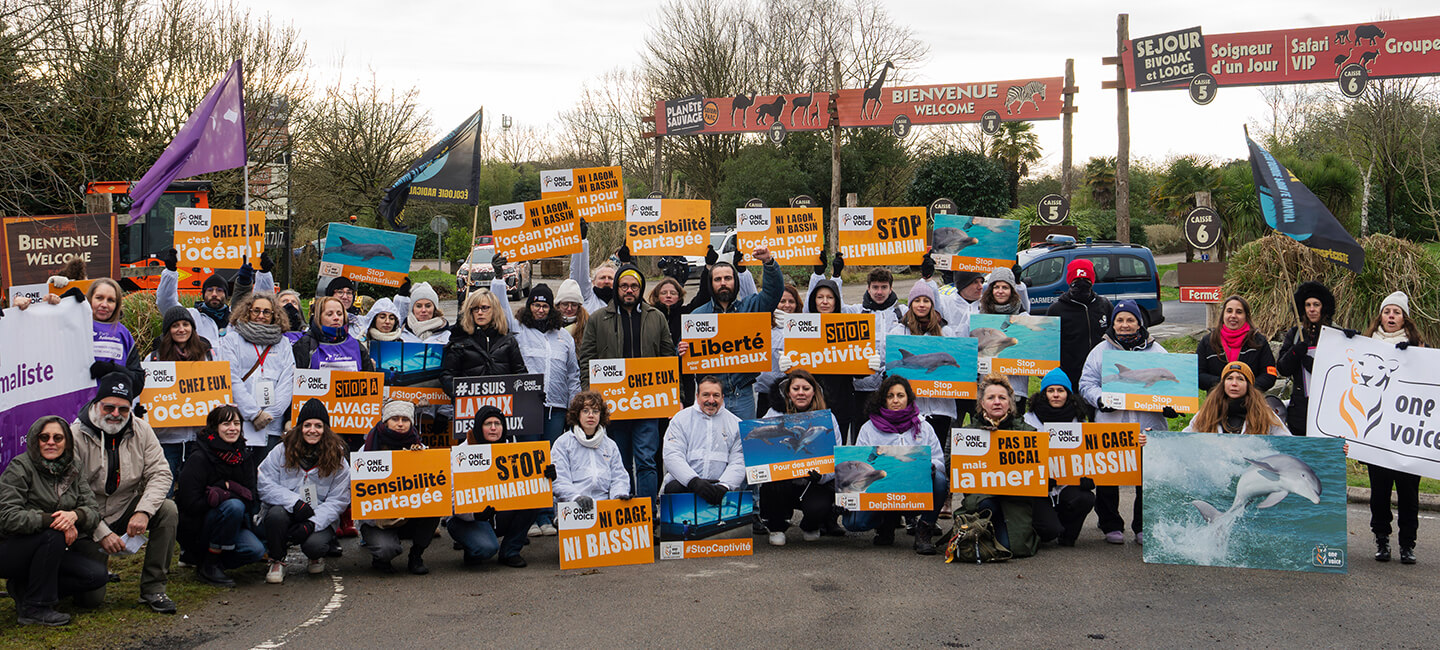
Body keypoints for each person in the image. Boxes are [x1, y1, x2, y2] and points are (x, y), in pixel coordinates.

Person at [69, 373, 179, 614]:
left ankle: (154, 587)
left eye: (123, 408)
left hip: (126, 507)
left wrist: (143, 511)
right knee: (90, 600)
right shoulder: (75, 435)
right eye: (109, 406)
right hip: (88, 519)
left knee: (167, 510)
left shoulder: (142, 429)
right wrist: (101, 532)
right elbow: (73, 491)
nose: (115, 414)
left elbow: (161, 473)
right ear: (96, 404)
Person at [1079, 300, 1177, 546]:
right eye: (1119, 320)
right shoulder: (1100, 351)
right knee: (1108, 478)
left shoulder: (1158, 353)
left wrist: (1171, 407)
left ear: (1139, 323)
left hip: (1148, 425)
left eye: (1129, 320)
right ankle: (1111, 524)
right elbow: (1086, 384)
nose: (1124, 325)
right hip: (1112, 424)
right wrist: (1100, 399)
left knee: (1146, 479)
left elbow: (1174, 389)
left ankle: (1143, 526)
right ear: (1113, 323)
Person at [0, 417, 109, 626]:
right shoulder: (19, 467)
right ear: (35, 440)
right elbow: (7, 518)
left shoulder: (74, 467)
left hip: (51, 550)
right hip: (10, 548)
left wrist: (75, 515)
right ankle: (36, 608)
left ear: (66, 442)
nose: (51, 442)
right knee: (53, 533)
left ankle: (24, 588)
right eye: (44, 437)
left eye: (58, 437)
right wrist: (55, 520)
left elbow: (93, 511)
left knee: (96, 576)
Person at [579, 264, 674, 499]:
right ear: (617, 289)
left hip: (648, 403)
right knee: (619, 462)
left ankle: (648, 516)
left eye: (634, 286)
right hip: (613, 406)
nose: (629, 290)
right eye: (624, 286)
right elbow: (587, 360)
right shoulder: (598, 319)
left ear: (640, 288)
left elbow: (669, 359)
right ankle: (628, 520)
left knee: (646, 461)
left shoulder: (657, 317)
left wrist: (676, 398)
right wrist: (590, 398)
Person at [958, 374, 1063, 558]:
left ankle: (1017, 530)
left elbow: (1041, 468)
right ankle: (987, 530)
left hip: (1018, 498)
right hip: (984, 497)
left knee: (1049, 531)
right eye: (991, 398)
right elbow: (956, 469)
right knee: (989, 508)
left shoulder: (1028, 433)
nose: (997, 402)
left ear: (1010, 403)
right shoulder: (967, 434)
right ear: (982, 403)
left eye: (1002, 398)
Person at [1354, 291, 1424, 564]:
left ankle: (1408, 544)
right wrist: (1348, 343)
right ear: (1380, 316)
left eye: (1396, 312)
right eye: (1387, 312)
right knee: (1379, 493)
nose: (1391, 316)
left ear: (1404, 317)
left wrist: (1415, 356)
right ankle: (1381, 539)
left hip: (1406, 436)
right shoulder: (1366, 345)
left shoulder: (1419, 346)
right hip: (1378, 435)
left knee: (1409, 494)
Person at [848, 376, 947, 555]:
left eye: (900, 395)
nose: (895, 400)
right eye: (890, 396)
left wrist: (930, 465)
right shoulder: (869, 428)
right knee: (854, 524)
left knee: (940, 480)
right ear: (883, 399)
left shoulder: (923, 427)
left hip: (915, 487)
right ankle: (886, 522)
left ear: (908, 398)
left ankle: (924, 530)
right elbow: (859, 464)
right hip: (881, 488)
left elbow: (940, 461)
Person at [258, 398, 351, 583]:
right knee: (276, 515)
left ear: (325, 429)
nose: (312, 430)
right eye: (307, 425)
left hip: (318, 514)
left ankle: (315, 555)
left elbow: (339, 500)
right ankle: (276, 559)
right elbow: (264, 483)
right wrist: (295, 503)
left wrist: (313, 523)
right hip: (287, 510)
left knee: (315, 545)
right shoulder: (280, 451)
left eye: (318, 425)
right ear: (299, 427)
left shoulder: (338, 457)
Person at [686, 245, 782, 420]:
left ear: (735, 281)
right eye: (718, 279)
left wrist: (768, 263)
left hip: (743, 394)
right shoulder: (698, 315)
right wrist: (682, 350)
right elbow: (684, 356)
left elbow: (773, 293)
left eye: (728, 278)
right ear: (711, 283)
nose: (723, 283)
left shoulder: (751, 307)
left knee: (743, 444)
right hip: (711, 396)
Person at [779, 276, 880, 443]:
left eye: (830, 297)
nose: (824, 302)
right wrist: (788, 367)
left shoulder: (848, 326)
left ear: (836, 301)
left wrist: (867, 364)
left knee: (836, 451)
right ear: (813, 300)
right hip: (807, 405)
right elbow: (795, 373)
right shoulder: (800, 326)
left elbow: (854, 370)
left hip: (841, 403)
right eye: (820, 297)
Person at [175, 406, 265, 587]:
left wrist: (224, 489)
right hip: (199, 525)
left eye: (237, 423)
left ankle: (208, 561)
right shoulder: (199, 457)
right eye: (226, 423)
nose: (232, 428)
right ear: (214, 427)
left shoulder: (243, 456)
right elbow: (189, 502)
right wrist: (225, 498)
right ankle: (208, 564)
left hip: (232, 524)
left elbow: (250, 498)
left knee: (255, 551)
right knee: (233, 506)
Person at [447, 406, 541, 568]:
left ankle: (510, 551)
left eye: (498, 423)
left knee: (537, 496)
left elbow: (532, 486)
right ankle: (471, 546)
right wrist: (473, 514)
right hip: (465, 519)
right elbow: (451, 497)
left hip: (499, 513)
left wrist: (545, 476)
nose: (493, 428)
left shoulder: (511, 449)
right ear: (478, 426)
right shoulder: (461, 454)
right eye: (487, 423)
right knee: (485, 549)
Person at [758, 370, 844, 546]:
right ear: (788, 392)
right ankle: (777, 526)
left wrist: (822, 477)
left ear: (814, 391)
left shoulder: (828, 418)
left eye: (806, 388)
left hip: (812, 482)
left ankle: (811, 524)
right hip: (782, 479)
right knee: (773, 486)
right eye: (795, 388)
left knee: (819, 506)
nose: (801, 392)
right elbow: (760, 451)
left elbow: (837, 456)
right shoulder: (773, 413)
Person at [358, 400, 440, 575]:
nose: (400, 424)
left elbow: (436, 488)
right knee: (386, 550)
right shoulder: (365, 451)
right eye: (395, 418)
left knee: (435, 507)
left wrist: (420, 462)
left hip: (409, 516)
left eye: (405, 419)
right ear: (385, 421)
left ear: (411, 423)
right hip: (379, 520)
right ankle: (380, 558)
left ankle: (416, 555)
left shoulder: (420, 449)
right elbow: (357, 495)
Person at [1024, 368, 1103, 547]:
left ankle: (1068, 534)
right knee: (1048, 531)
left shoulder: (1080, 422)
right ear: (1043, 394)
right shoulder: (1028, 421)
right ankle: (1044, 527)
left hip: (1067, 485)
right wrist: (1040, 480)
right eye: (1051, 391)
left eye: (1061, 390)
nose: (1056, 395)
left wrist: (1089, 478)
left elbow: (1089, 458)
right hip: (1039, 491)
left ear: (1068, 393)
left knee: (1086, 497)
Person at [890, 281, 967, 449]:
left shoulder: (945, 332)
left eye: (926, 300)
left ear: (933, 305)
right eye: (917, 301)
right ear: (910, 304)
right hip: (909, 409)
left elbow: (956, 371)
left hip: (940, 409)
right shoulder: (898, 332)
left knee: (937, 452)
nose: (922, 305)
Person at [441, 288, 528, 433]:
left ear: (494, 310)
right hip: (469, 415)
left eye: (484, 308)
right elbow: (447, 375)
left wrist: (532, 393)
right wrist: (461, 395)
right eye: (475, 309)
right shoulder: (459, 342)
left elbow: (520, 373)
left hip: (501, 414)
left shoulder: (508, 341)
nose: (480, 312)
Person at [218, 291, 296, 451]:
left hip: (271, 425)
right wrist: (254, 413)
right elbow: (230, 378)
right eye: (256, 310)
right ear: (248, 311)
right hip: (239, 423)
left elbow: (288, 380)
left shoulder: (283, 343)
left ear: (274, 315)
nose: (261, 315)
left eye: (266, 312)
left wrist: (270, 414)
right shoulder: (232, 340)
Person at [147, 307, 216, 487]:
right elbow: (143, 394)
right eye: (175, 325)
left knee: (194, 491)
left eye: (186, 324)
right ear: (167, 330)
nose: (181, 329)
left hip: (197, 440)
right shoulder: (154, 358)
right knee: (164, 489)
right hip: (166, 439)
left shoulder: (207, 357)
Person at [156, 248, 275, 345]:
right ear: (203, 294)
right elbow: (166, 303)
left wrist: (264, 274)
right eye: (209, 290)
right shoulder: (192, 316)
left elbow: (263, 304)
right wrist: (170, 272)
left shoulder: (239, 318)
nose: (214, 294)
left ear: (226, 295)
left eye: (219, 290)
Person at [550, 392, 632, 527]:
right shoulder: (563, 443)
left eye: (595, 411)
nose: (591, 415)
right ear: (577, 414)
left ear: (601, 415)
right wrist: (576, 497)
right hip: (574, 506)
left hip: (605, 507)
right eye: (585, 411)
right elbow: (559, 479)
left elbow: (619, 476)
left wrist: (619, 495)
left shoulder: (610, 445)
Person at [850, 267, 909, 440]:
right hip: (861, 387)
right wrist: (835, 276)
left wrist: (927, 279)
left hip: (892, 387)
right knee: (861, 434)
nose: (879, 292)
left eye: (884, 287)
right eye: (875, 287)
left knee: (890, 435)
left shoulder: (903, 312)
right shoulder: (855, 311)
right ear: (868, 288)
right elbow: (825, 307)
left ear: (891, 288)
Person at [661, 377, 745, 497]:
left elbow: (738, 461)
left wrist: (724, 485)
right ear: (697, 396)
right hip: (685, 487)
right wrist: (693, 481)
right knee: (673, 487)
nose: (711, 400)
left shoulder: (736, 424)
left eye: (716, 395)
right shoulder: (680, 419)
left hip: (720, 490)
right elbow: (672, 455)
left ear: (722, 397)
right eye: (706, 395)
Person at [1277, 282, 1335, 436]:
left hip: (1327, 407)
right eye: (1308, 305)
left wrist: (1314, 366)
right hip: (1300, 408)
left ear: (1323, 307)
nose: (1312, 309)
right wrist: (1295, 352)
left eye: (1316, 304)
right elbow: (1282, 368)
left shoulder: (1334, 334)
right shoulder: (1295, 334)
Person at [1047, 259, 1112, 392]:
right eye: (1076, 283)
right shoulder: (1056, 310)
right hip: (1070, 376)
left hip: (1101, 374)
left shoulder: (1104, 305)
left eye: (1086, 283)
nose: (1081, 287)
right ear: (1069, 283)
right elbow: (1048, 346)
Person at [649, 273, 712, 407]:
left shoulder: (687, 314)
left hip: (685, 376)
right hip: (658, 375)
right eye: (664, 292)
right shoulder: (649, 315)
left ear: (679, 296)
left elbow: (703, 296)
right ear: (656, 296)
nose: (668, 296)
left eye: (673, 293)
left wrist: (707, 268)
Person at [1196, 295, 1278, 393]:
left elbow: (1269, 375)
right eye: (1229, 311)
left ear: (1246, 316)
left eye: (1239, 312)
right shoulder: (1208, 341)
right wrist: (1224, 384)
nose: (1233, 315)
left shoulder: (1259, 342)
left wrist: (1245, 388)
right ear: (1223, 315)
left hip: (1251, 402)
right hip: (1216, 403)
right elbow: (1198, 375)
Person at [1183, 362, 1289, 436]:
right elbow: (1185, 438)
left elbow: (1285, 441)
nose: (1234, 384)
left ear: (1248, 385)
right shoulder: (1207, 412)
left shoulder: (1264, 413)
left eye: (1240, 379)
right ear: (1223, 384)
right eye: (1229, 378)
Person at [978, 267, 1032, 408]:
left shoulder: (1023, 318)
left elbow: (1032, 353)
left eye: (1005, 287)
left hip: (1016, 390)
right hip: (987, 390)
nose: (1000, 291)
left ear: (1012, 290)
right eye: (996, 287)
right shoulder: (980, 318)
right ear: (990, 290)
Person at [293, 295, 375, 373]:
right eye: (329, 314)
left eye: (339, 314)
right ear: (319, 318)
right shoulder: (305, 344)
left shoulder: (355, 344)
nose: (336, 318)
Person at [755, 284, 802, 418]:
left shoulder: (805, 326)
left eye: (791, 301)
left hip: (796, 393)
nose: (787, 305)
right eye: (782, 301)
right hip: (767, 392)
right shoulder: (763, 325)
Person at [569, 237, 618, 314]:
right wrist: (581, 241)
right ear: (593, 282)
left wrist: (628, 261)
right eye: (602, 278)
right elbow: (579, 271)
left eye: (610, 278)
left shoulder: (622, 301)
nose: (606, 281)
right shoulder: (587, 297)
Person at [319, 276, 366, 341]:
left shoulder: (359, 321)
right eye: (340, 292)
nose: (345, 297)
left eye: (349, 293)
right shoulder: (319, 320)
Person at [556, 278, 589, 352]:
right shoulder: (550, 325)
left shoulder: (587, 324)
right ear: (558, 305)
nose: (569, 309)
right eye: (565, 304)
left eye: (574, 305)